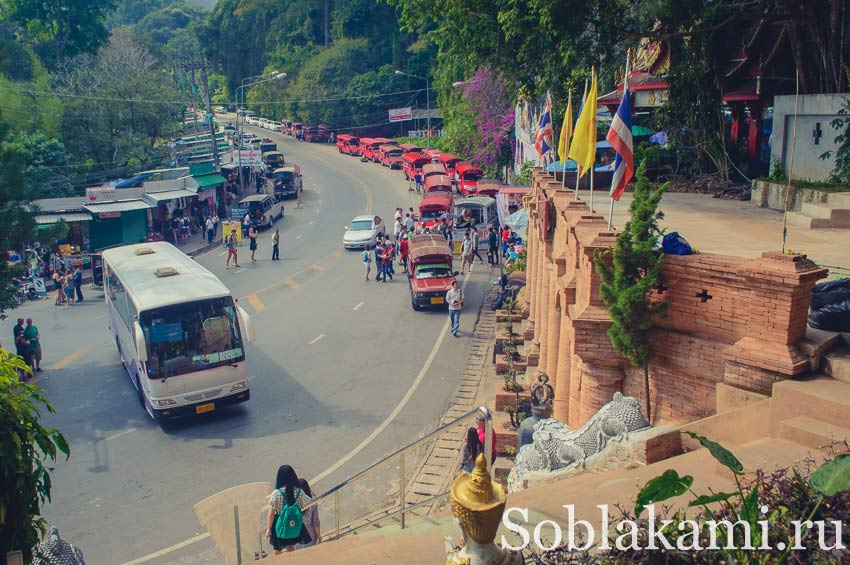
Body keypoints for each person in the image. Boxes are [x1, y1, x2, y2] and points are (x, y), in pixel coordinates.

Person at [265, 465, 309, 554]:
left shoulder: (276, 493)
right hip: (292, 523)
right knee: (290, 546)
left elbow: (271, 514)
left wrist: (268, 529)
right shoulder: (299, 491)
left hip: (278, 523)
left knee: (277, 549)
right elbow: (305, 503)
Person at [296, 478, 321, 548]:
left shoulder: (293, 503)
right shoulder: (313, 502)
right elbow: (316, 522)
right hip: (311, 539)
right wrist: (319, 536)